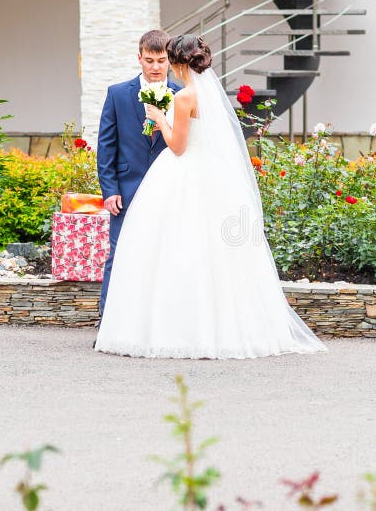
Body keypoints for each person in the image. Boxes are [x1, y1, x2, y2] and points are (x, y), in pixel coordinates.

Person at [94, 35, 327, 359]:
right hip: (210, 179)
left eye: (167, 61)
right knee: (213, 256)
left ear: (176, 63)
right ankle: (228, 330)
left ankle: (171, 329)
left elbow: (178, 146)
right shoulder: (211, 97)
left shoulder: (183, 96)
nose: (163, 67)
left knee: (174, 256)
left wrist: (158, 119)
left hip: (181, 175)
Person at [96, 30, 182, 319]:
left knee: (165, 257)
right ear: (139, 59)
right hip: (127, 190)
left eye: (161, 60)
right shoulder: (118, 93)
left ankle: (157, 323)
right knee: (119, 256)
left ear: (170, 60)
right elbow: (106, 147)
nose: (155, 67)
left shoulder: (182, 96)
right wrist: (109, 191)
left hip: (169, 191)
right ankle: (108, 323)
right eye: (149, 60)